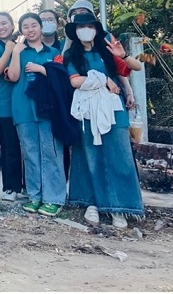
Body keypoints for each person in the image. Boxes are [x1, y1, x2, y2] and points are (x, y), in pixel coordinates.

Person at [64, 13, 144, 228]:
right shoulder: (72, 55)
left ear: (97, 29)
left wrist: (123, 55)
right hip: (87, 110)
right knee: (89, 155)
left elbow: (136, 67)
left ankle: (119, 207)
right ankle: (92, 203)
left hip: (113, 107)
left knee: (119, 155)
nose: (85, 30)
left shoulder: (107, 51)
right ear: (75, 31)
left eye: (89, 26)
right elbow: (75, 81)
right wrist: (104, 79)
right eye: (81, 27)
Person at [7, 12, 66, 216]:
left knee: (51, 153)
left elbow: (62, 80)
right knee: (31, 154)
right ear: (21, 30)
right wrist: (15, 53)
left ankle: (54, 198)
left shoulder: (54, 52)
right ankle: (35, 196)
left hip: (48, 110)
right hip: (23, 109)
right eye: (25, 26)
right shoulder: (19, 51)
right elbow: (13, 77)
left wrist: (43, 69)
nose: (30, 30)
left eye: (34, 25)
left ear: (41, 27)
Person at [0, 11, 23, 202]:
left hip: (24, 103)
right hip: (2, 104)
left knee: (26, 148)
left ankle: (25, 186)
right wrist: (9, 49)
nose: (1, 27)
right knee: (9, 147)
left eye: (4, 23)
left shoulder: (24, 45)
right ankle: (10, 187)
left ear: (12, 24)